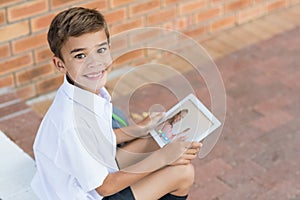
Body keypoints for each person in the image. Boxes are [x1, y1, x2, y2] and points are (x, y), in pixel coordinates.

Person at [31, 7, 202, 200]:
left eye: (101, 50)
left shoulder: (84, 92)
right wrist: (163, 158)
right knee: (182, 173)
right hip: (91, 193)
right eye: (80, 56)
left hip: (93, 173)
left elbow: (98, 138)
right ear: (60, 64)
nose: (94, 62)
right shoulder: (71, 122)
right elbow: (103, 188)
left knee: (155, 140)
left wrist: (141, 129)